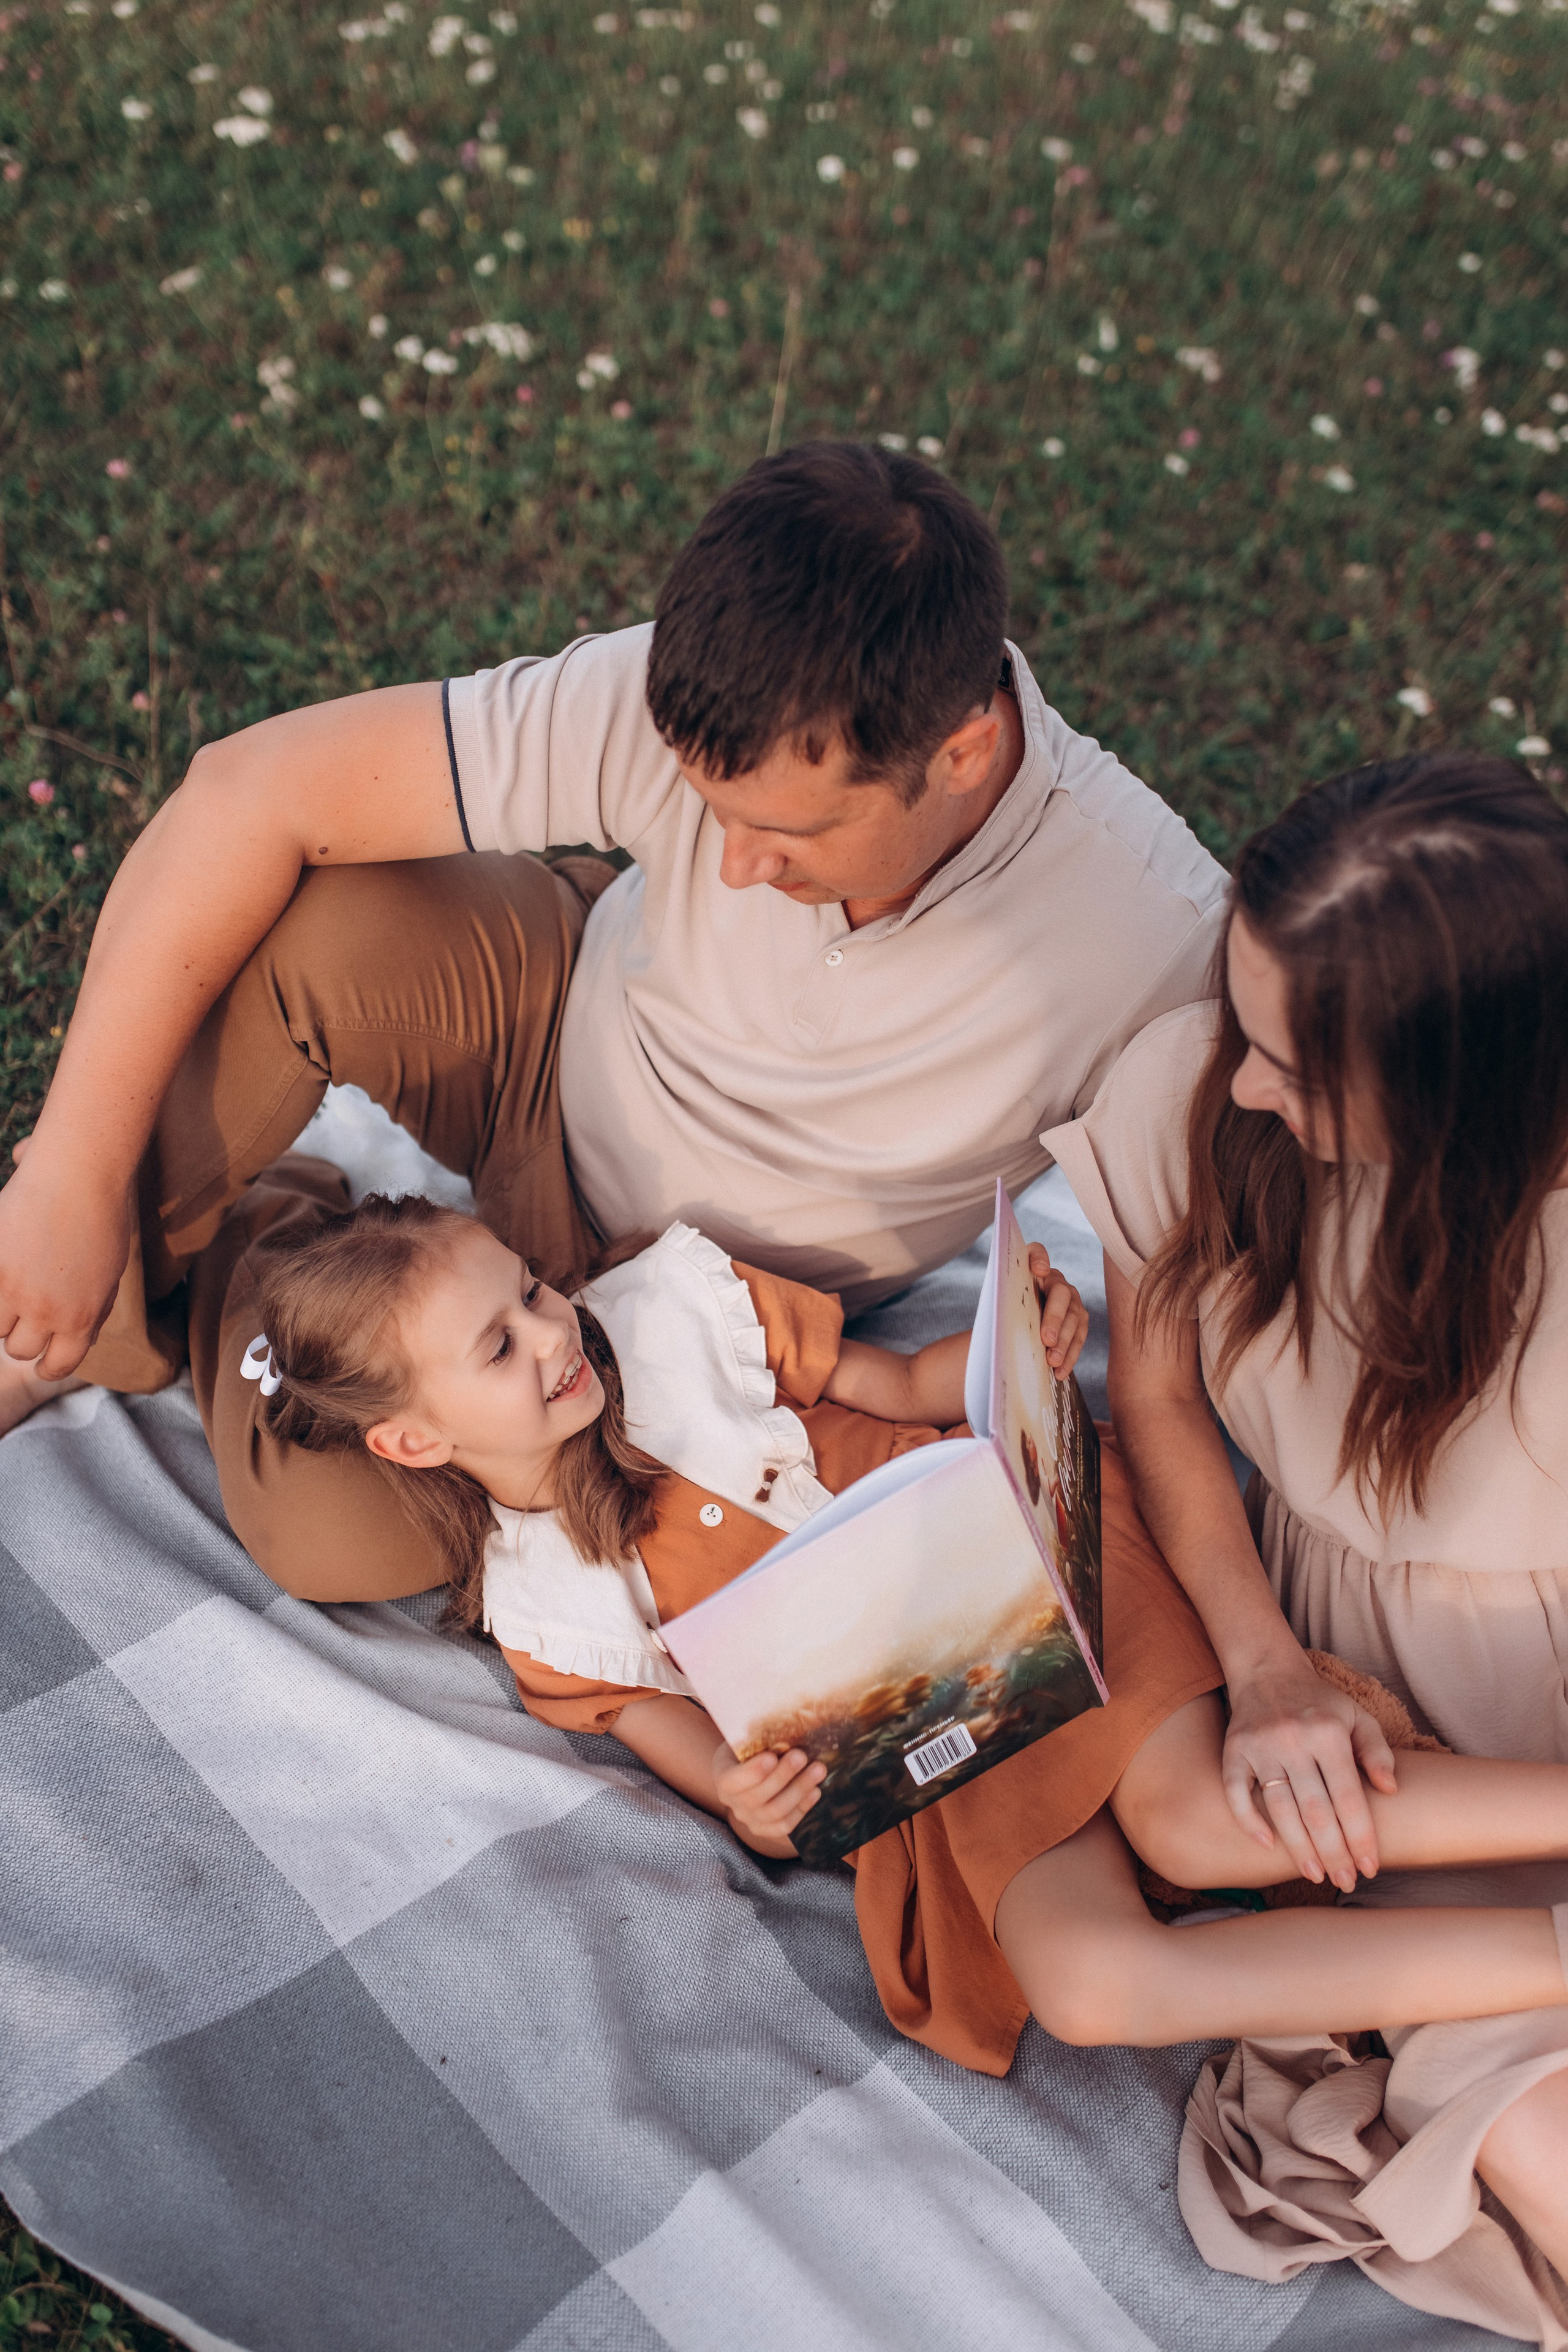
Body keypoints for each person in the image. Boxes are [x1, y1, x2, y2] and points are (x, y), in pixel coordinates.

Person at [0, 443, 1227, 1605]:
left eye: (786, 834)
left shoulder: (1154, 942)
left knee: (337, 1528)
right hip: (549, 1036)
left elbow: (1163, 1378)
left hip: (688, 1311)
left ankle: (270, 1241)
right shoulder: (713, 685)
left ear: (962, 754)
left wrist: (1260, 1660)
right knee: (327, 928)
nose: (734, 866)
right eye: (710, 809)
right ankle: (51, 1318)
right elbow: (249, 791)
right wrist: (66, 1171)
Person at [182, 1153, 1568, 2081]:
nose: (555, 1334)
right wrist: (756, 1803)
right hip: (936, 1743)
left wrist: (1017, 1340)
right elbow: (717, 1774)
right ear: (415, 1443)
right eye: (500, 1346)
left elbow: (898, 1387)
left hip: (1023, 1568)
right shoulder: (550, 1611)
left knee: (1194, 1821)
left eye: (532, 1292)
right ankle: (1541, 1962)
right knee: (1089, 1988)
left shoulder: (667, 1313)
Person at [1041, 752, 1568, 2330]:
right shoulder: (1192, 1089)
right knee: (1526, 2116)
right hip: (1390, 1723)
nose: (1244, 1083)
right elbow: (1153, 1396)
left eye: (1293, 1063)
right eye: (1245, 1017)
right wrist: (1263, 1665)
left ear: (1464, 1092)